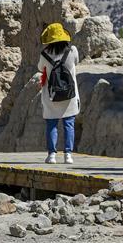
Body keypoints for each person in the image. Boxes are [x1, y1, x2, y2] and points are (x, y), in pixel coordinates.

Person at [37, 23, 81, 164]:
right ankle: (68, 155)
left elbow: (40, 68)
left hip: (52, 95)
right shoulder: (72, 50)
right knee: (69, 124)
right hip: (70, 94)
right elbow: (76, 62)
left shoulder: (45, 54)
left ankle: (52, 155)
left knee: (52, 124)